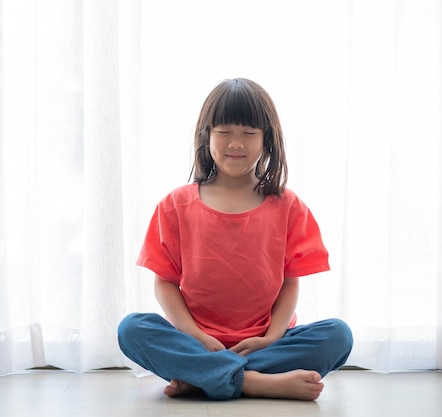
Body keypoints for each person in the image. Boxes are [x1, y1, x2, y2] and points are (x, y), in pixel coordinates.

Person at [117, 78, 353, 401]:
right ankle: (253, 382)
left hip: (263, 344)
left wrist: (271, 338)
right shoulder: (175, 205)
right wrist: (195, 335)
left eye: (248, 133)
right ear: (207, 136)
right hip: (195, 341)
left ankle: (204, 375)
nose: (236, 143)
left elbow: (289, 284)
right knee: (131, 329)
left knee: (338, 336)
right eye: (225, 133)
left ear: (267, 140)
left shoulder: (289, 207)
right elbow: (165, 284)